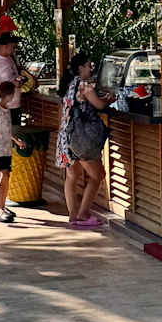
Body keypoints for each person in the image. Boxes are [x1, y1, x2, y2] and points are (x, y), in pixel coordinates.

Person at [56, 51, 114, 228]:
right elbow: (99, 105)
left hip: (66, 137)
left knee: (72, 176)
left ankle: (73, 215)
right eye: (89, 65)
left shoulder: (68, 85)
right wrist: (110, 100)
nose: (91, 68)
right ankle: (83, 214)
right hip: (81, 139)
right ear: (81, 68)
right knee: (98, 176)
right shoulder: (84, 86)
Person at [0, 79, 18, 224]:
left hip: (6, 148)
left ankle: (2, 205)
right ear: (9, 95)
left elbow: (6, 130)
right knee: (4, 175)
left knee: (6, 176)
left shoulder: (7, 110)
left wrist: (16, 140)